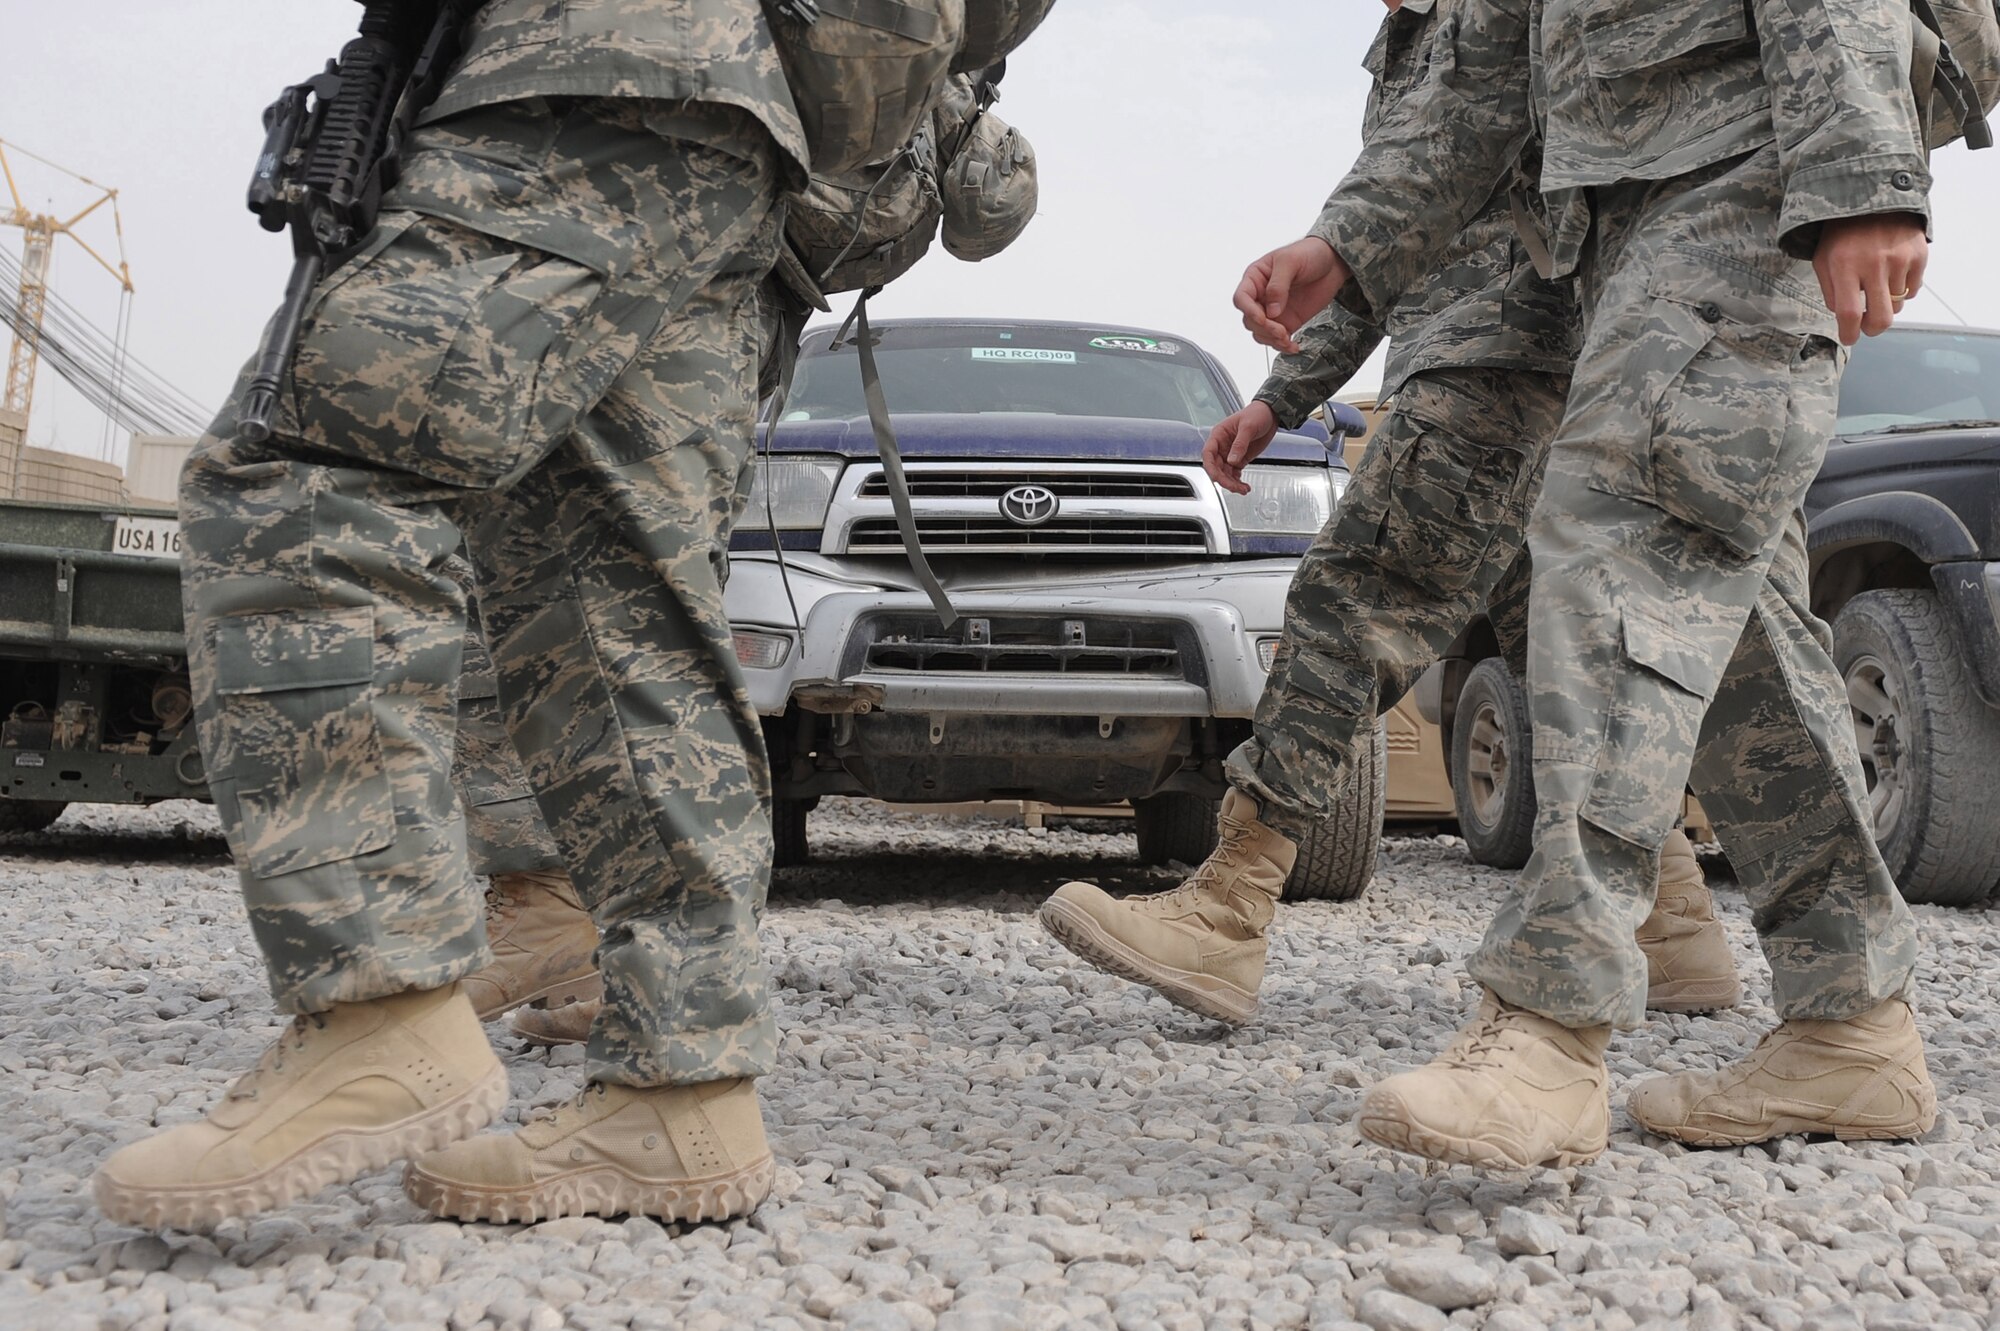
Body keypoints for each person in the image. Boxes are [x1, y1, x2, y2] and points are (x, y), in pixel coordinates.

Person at [91, 0, 1044, 1230]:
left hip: (605, 65)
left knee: (310, 469)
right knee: (616, 597)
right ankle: (679, 1085)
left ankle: (380, 1005)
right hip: (731, 131)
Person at [1231, 0, 1935, 1168]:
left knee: (1616, 530)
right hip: (1617, 215)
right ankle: (1850, 1022)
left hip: (1747, 168)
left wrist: (1858, 170)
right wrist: (1350, 242)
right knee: (1741, 637)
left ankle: (1549, 1027)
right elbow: (1485, 70)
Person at [1037, 0, 1741, 1033]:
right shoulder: (1412, 38)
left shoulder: (1499, 17)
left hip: (1502, 350)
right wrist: (1283, 394)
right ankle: (1672, 924)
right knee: (1556, 653)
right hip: (1496, 347)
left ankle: (1229, 907)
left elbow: (1468, 185)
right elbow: (1388, 240)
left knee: (1353, 601)